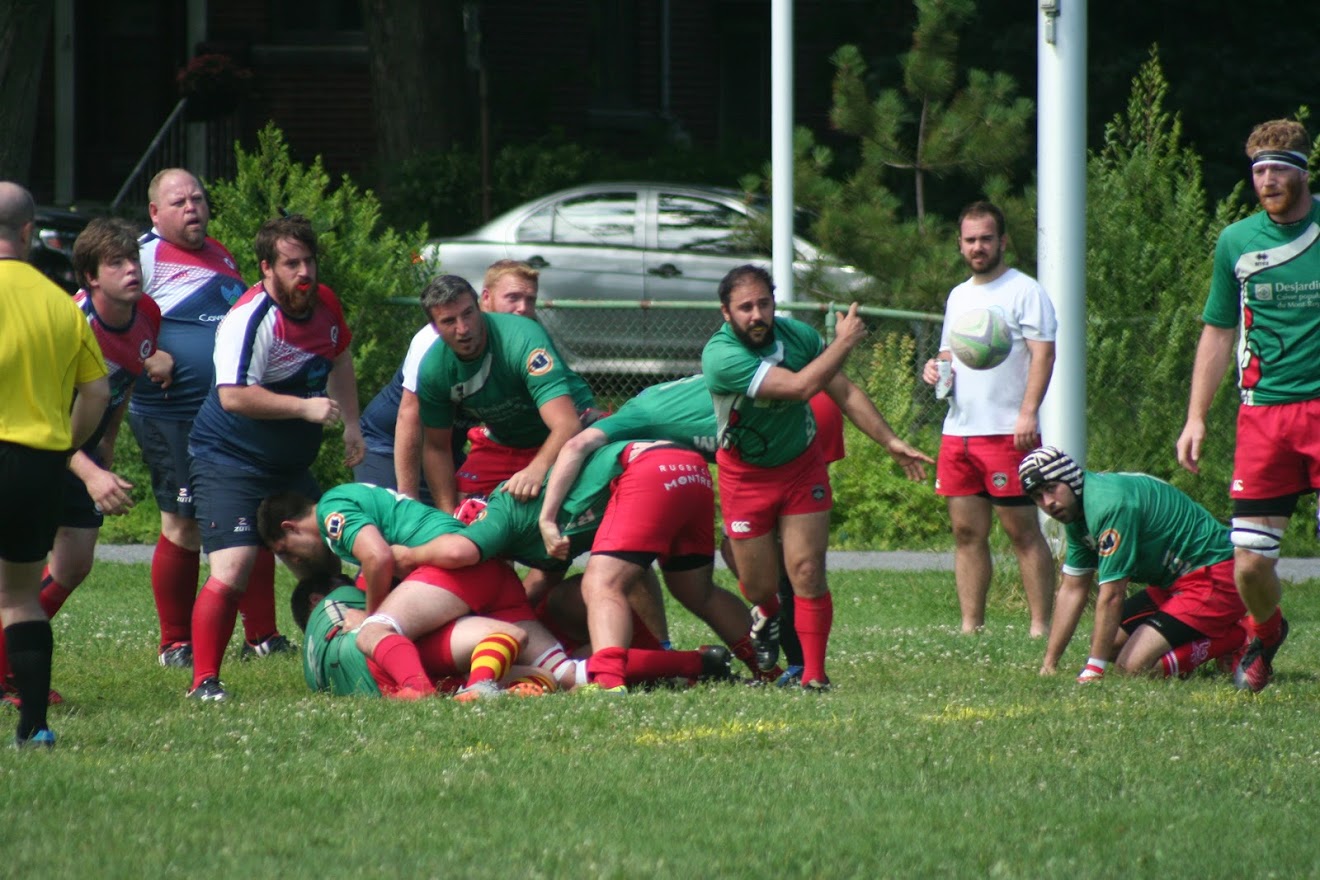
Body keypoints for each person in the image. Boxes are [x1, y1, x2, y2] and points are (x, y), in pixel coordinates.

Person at [701, 263, 932, 693]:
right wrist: (843, 343)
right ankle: (766, 612)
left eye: (764, 303)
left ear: (774, 303)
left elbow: (843, 391)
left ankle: (814, 676)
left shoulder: (798, 337)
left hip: (801, 465)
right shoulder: (720, 356)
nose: (757, 315)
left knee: (807, 570)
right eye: (745, 307)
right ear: (725, 313)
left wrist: (891, 441)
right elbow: (799, 388)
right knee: (758, 584)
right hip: (745, 475)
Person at [184, 214, 364, 701]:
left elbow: (341, 357)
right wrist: (305, 408)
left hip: (288, 466)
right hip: (229, 459)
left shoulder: (325, 304)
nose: (304, 273)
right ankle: (204, 681)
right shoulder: (250, 319)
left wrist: (351, 423)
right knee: (234, 567)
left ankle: (346, 651)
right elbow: (233, 397)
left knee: (337, 549)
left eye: (309, 261)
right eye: (291, 264)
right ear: (266, 268)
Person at [1175, 119, 1318, 693]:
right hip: (1263, 416)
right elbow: (1216, 331)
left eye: (1279, 167)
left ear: (1303, 170)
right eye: (1258, 170)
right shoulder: (1236, 241)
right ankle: (1266, 630)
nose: (1267, 179)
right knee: (1251, 564)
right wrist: (1196, 416)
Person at [129, 168, 288, 668]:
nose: (192, 207)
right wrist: (145, 354)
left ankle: (262, 635)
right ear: (155, 212)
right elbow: (99, 315)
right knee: (183, 524)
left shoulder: (220, 253)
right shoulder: (140, 255)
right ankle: (175, 643)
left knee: (253, 514)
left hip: (227, 416)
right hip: (172, 413)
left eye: (198, 197)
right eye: (178, 202)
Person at [0, 218, 162, 708]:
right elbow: (47, 412)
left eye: (133, 259)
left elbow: (123, 381)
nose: (132, 270)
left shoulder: (147, 314)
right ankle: (13, 676)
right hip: (46, 448)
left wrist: (107, 440)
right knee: (20, 577)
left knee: (73, 565)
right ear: (91, 278)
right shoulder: (73, 319)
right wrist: (87, 470)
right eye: (117, 263)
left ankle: (14, 666)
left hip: (82, 446)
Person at [257, 483, 580, 699]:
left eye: (286, 551)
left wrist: (370, 615)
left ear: (290, 527)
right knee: (568, 674)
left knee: (373, 632)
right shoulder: (349, 497)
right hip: (492, 572)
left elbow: (378, 557)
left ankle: (418, 693)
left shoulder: (331, 510)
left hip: (455, 570)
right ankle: (613, 673)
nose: (294, 560)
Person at [0, 181, 110, 747]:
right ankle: (35, 726)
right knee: (20, 596)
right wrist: (61, 443)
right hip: (36, 463)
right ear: (26, 233)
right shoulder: (61, 306)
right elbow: (96, 392)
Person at [920, 200, 1057, 637]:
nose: (978, 247)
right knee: (965, 533)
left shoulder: (1024, 291)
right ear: (960, 245)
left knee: (1022, 532)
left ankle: (1040, 626)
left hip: (1007, 434)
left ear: (1002, 242)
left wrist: (1028, 413)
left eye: (986, 238)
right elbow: (950, 352)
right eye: (970, 240)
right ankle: (970, 626)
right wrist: (935, 367)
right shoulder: (959, 296)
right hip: (959, 433)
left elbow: (1043, 353)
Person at [1021, 447, 1251, 682]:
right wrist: (1049, 664)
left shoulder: (1108, 505)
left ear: (1070, 479)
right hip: (1174, 584)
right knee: (1108, 645)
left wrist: (1094, 669)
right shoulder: (1077, 515)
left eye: (1051, 489)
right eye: (1038, 497)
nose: (1048, 502)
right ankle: (1209, 636)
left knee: (1133, 667)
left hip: (1216, 574)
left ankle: (1243, 634)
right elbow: (1072, 589)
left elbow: (1112, 595)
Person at [356, 260, 542, 502]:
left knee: (464, 519)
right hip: (389, 442)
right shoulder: (433, 341)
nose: (522, 308)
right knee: (397, 523)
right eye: (513, 298)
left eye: (530, 300)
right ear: (485, 299)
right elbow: (408, 416)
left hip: (445, 446)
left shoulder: (526, 338)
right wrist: (407, 502)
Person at [414, 274, 599, 513]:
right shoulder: (433, 369)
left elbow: (567, 425)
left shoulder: (522, 338)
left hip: (573, 430)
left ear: (480, 306)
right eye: (449, 321)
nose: (463, 328)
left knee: (556, 507)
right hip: (506, 440)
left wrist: (537, 469)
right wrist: (447, 517)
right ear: (435, 327)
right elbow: (436, 448)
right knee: (465, 509)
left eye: (468, 313)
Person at [288, 571, 557, 699]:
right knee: (509, 634)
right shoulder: (334, 601)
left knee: (544, 677)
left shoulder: (312, 664)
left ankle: (480, 695)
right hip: (384, 659)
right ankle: (478, 687)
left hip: (385, 689)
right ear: (315, 600)